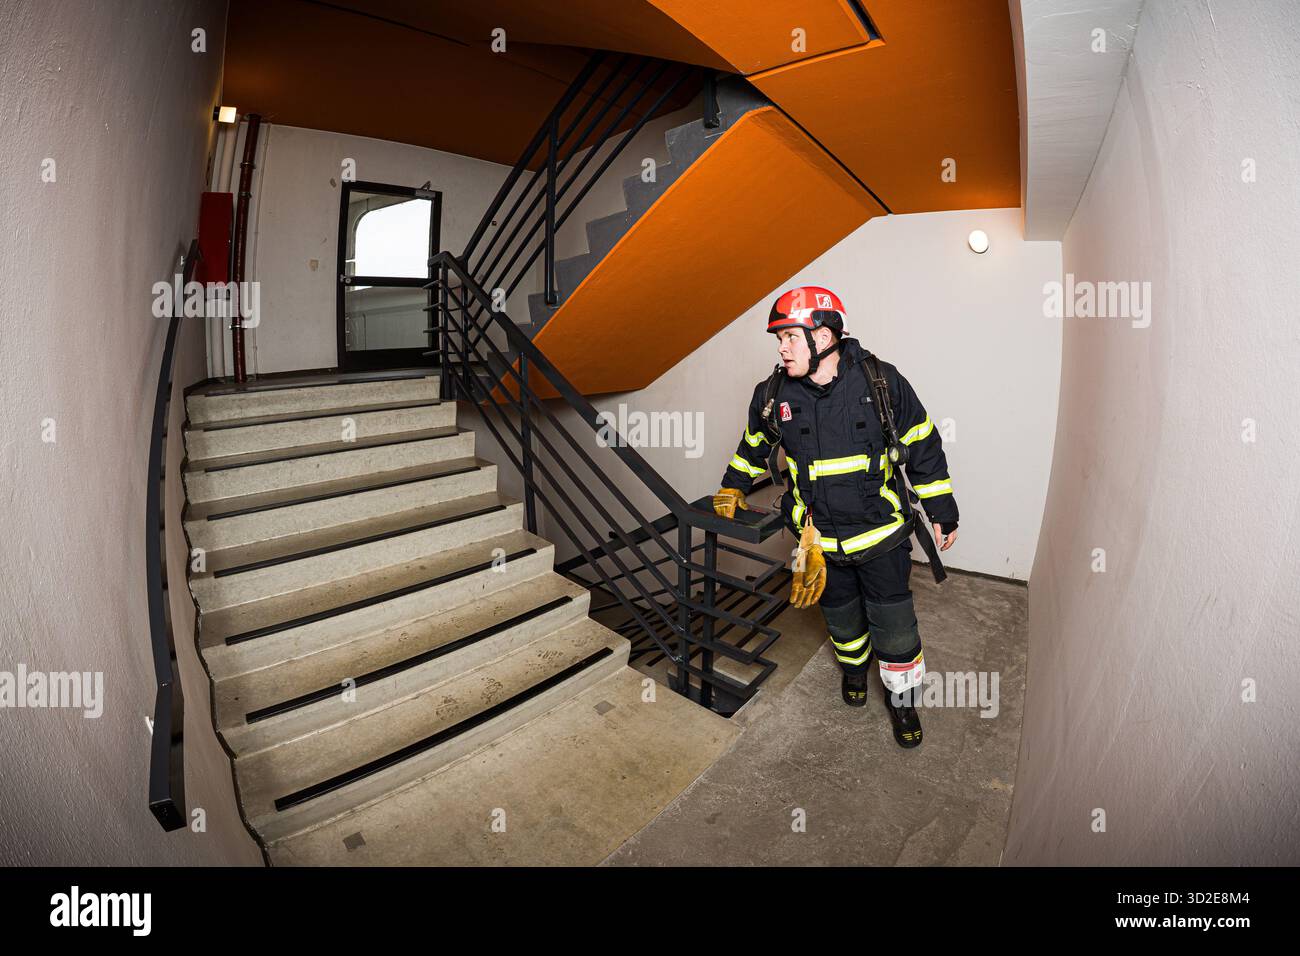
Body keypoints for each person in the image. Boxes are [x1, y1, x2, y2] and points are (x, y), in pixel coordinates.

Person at [712, 286, 958, 748]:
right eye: (778, 339)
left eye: (789, 336)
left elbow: (923, 443)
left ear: (822, 337)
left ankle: (902, 702)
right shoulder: (772, 394)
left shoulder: (880, 381)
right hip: (817, 542)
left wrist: (942, 511)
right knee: (842, 622)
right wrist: (733, 486)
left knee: (895, 625)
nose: (781, 348)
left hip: (882, 538)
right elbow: (753, 447)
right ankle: (852, 672)